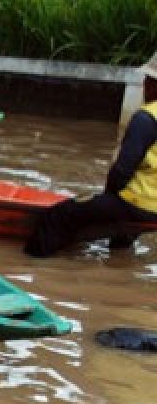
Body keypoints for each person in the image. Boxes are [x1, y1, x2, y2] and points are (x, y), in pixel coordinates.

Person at [25, 51, 157, 257]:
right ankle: (119, 259)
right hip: (152, 208)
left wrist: (105, 198)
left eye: (148, 79)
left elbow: (122, 171)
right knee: (118, 217)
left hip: (137, 204)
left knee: (59, 215)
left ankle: (33, 261)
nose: (144, 84)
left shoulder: (147, 118)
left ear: (153, 84)